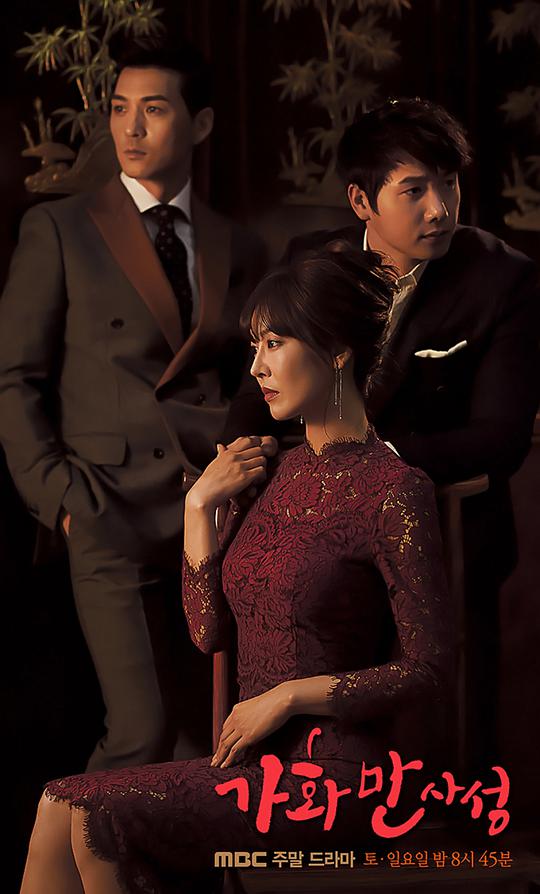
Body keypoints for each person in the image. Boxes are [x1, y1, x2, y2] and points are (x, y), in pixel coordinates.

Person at [20, 246, 450, 894]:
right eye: (255, 346)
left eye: (274, 344)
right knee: (60, 804)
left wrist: (287, 697)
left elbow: (429, 669)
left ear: (337, 351)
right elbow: (209, 633)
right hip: (251, 764)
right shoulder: (269, 472)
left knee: (94, 815)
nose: (257, 367)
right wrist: (199, 509)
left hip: (338, 779)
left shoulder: (394, 489)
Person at [224, 98, 540, 769]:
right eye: (415, 190)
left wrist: (366, 470)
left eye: (449, 183)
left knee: (448, 749)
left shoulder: (503, 276)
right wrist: (239, 456)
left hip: (448, 538)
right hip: (315, 550)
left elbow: (502, 435)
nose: (440, 209)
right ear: (361, 200)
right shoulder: (312, 258)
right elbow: (256, 393)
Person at [0, 40, 266, 770]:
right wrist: (60, 499)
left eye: (153, 109)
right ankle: (56, 848)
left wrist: (243, 469)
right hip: (107, 510)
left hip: (212, 515)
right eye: (120, 109)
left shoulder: (236, 243)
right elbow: (15, 379)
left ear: (201, 123)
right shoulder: (59, 228)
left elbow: (254, 379)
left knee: (210, 739)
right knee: (141, 733)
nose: (131, 127)